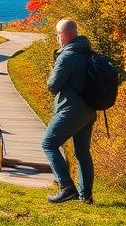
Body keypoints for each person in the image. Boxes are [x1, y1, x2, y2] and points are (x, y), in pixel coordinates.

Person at [40, 18, 97, 205]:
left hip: (71, 110)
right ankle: (86, 196)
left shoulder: (67, 55)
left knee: (48, 143)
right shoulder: (86, 51)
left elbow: (52, 85)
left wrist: (53, 68)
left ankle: (67, 187)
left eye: (57, 34)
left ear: (63, 35)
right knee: (82, 153)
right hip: (89, 110)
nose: (57, 38)